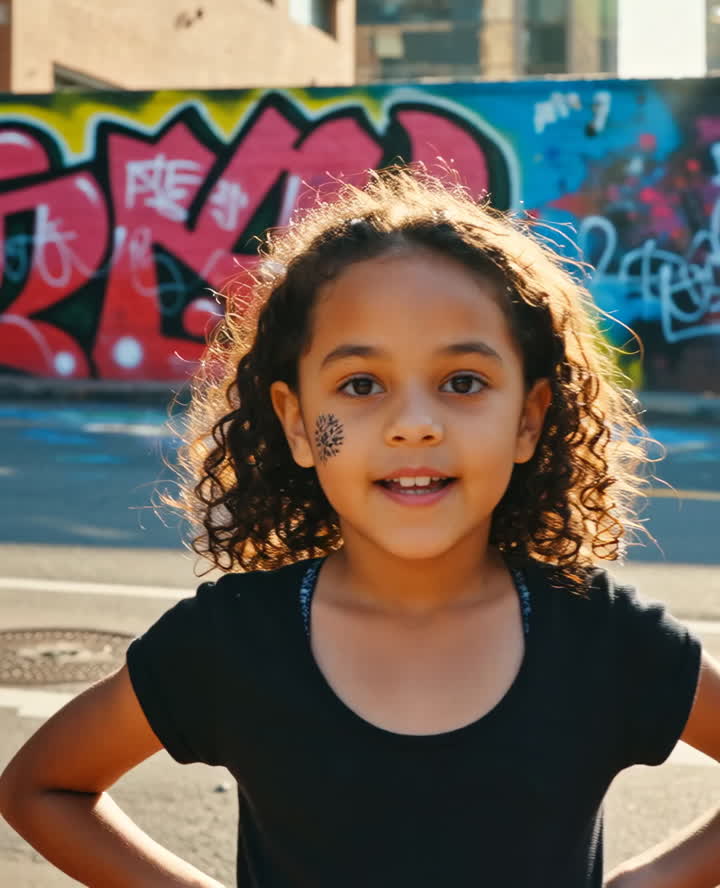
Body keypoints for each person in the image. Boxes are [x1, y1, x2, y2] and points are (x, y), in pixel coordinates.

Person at [0, 167, 718, 888]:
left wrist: (649, 884)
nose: (413, 425)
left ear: (529, 419)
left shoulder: (604, 637)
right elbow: (43, 787)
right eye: (361, 385)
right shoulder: (236, 639)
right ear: (299, 423)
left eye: (463, 382)